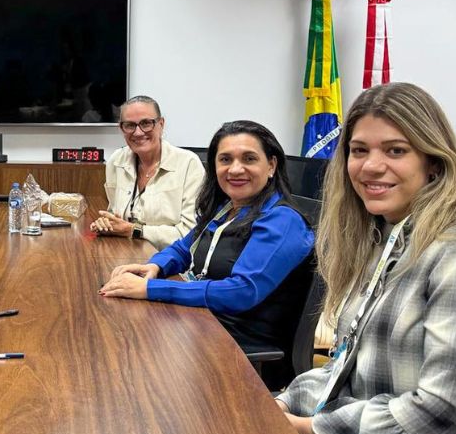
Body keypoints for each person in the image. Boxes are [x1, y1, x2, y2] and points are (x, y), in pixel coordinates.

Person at [276, 83, 456, 434]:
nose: (372, 166)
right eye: (359, 150)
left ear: (433, 163)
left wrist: (306, 427)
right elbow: (344, 367)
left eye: (395, 150)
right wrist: (282, 403)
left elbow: (443, 414)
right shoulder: (386, 241)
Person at [100, 120, 314, 389]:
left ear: (271, 165)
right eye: (225, 159)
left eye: (249, 159)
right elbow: (183, 248)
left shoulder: (282, 221)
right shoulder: (227, 208)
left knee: (127, 361)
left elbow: (241, 291)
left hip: (240, 350)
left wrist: (150, 289)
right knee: (117, 333)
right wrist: (155, 266)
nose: (235, 169)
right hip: (206, 323)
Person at [90, 96, 204, 248]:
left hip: (170, 258)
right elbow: (115, 214)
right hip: (124, 252)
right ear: (121, 128)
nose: (138, 132)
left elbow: (190, 233)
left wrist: (134, 230)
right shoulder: (116, 161)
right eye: (130, 125)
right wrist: (107, 224)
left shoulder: (188, 164)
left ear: (161, 124)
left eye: (146, 123)